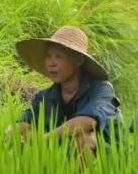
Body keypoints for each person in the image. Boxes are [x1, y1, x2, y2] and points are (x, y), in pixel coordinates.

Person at [6, 26, 121, 159]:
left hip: (107, 160)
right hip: (65, 157)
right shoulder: (44, 97)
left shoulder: (101, 90)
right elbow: (26, 121)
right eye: (48, 56)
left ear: (78, 60)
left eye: (58, 57)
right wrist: (14, 130)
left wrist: (44, 140)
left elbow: (87, 122)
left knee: (84, 138)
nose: (51, 63)